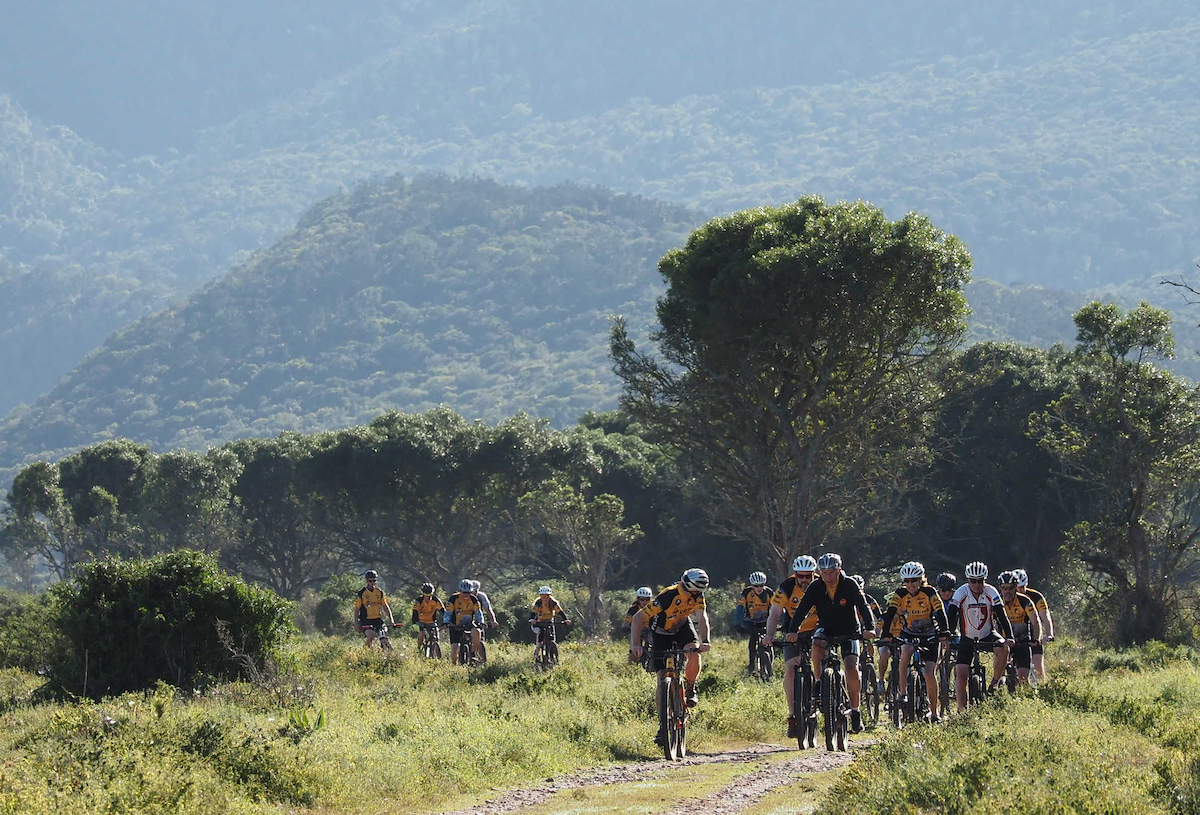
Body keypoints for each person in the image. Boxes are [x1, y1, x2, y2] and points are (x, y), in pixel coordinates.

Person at [785, 553, 876, 734]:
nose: (828, 577)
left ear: (839, 570)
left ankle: (856, 711)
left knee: (851, 668)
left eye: (832, 572)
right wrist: (792, 630)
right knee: (817, 642)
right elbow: (802, 609)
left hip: (849, 629)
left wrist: (870, 628)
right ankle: (819, 682)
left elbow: (863, 606)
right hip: (826, 628)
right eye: (824, 573)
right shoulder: (816, 587)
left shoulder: (850, 584)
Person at [629, 568, 712, 747]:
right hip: (661, 632)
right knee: (661, 678)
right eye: (696, 590)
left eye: (700, 591)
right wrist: (635, 645)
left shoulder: (697, 596)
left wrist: (705, 640)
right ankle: (662, 725)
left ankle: (690, 687)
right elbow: (637, 618)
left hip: (682, 626)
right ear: (688, 585)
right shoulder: (667, 596)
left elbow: (702, 617)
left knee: (693, 651)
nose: (698, 594)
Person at [878, 561, 951, 721]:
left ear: (921, 580)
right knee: (905, 651)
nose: (910, 584)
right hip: (909, 632)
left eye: (914, 580)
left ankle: (933, 712)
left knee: (930, 673)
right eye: (907, 581)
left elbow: (940, 613)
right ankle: (903, 693)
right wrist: (885, 634)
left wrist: (944, 634)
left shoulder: (930, 592)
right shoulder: (900, 594)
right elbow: (890, 613)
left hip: (930, 633)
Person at [763, 555, 820, 739]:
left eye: (808, 576)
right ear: (795, 574)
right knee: (790, 669)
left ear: (813, 574)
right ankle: (792, 715)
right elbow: (774, 614)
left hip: (818, 629)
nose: (804, 580)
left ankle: (824, 692)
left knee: (822, 661)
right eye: (800, 576)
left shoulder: (821, 584)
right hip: (793, 631)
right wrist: (769, 636)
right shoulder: (786, 587)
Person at [949, 561, 1015, 711]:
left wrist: (1009, 636)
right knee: (960, 675)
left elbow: (1002, 615)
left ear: (984, 580)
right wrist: (946, 633)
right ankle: (961, 711)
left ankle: (994, 684)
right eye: (973, 581)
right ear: (968, 580)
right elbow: (951, 613)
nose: (977, 585)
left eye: (980, 581)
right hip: (967, 637)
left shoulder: (991, 591)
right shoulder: (961, 592)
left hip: (988, 634)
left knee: (1004, 649)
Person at [998, 570, 1040, 686]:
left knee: (1023, 678)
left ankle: (1024, 698)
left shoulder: (1025, 601)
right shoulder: (997, 602)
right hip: (1004, 642)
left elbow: (1035, 622)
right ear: (1000, 589)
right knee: (998, 675)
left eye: (1010, 588)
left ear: (1016, 587)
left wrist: (1035, 639)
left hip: (1022, 641)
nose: (1007, 591)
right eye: (1004, 588)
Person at [1013, 568, 1054, 680]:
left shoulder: (1036, 597)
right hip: (1015, 632)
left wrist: (1049, 634)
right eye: (1016, 588)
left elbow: (1045, 616)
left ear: (1026, 584)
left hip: (1033, 631)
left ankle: (1042, 690)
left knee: (1038, 667)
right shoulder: (1007, 598)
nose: (1019, 591)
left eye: (1022, 587)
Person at [735, 571, 773, 665]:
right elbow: (739, 608)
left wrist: (783, 622)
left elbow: (778, 608)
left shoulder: (769, 592)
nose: (759, 588)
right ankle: (751, 665)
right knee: (753, 639)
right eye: (756, 586)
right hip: (750, 621)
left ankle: (770, 665)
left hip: (765, 621)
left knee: (768, 640)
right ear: (752, 585)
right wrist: (737, 623)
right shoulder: (746, 592)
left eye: (761, 585)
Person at [443, 578, 485, 665]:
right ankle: (454, 666)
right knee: (455, 649)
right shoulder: (453, 598)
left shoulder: (473, 599)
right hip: (455, 625)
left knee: (477, 631)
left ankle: (473, 653)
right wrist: (446, 622)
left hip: (469, 624)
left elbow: (478, 612)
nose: (466, 595)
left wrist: (481, 621)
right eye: (464, 592)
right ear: (460, 591)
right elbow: (448, 612)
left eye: (468, 592)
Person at [353, 569, 398, 648]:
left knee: (384, 634)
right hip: (366, 620)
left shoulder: (379, 592)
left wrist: (392, 620)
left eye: (374, 581)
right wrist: (356, 623)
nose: (372, 583)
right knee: (371, 637)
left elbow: (385, 606)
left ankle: (386, 653)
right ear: (367, 581)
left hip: (377, 619)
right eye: (370, 581)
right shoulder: (362, 593)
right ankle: (365, 652)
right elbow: (357, 609)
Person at [529, 585, 571, 662]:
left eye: (547, 596)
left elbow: (560, 612)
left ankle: (553, 655)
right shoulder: (537, 603)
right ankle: (537, 650)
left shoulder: (554, 603)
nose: (545, 598)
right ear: (541, 597)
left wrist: (566, 620)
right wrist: (532, 620)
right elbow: (533, 613)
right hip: (540, 621)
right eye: (543, 596)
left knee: (552, 637)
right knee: (540, 635)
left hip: (549, 620)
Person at [411, 582, 445, 656]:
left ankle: (435, 651)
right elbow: (415, 613)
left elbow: (443, 611)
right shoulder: (419, 600)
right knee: (421, 635)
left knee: (436, 638)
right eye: (426, 595)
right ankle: (419, 650)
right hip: (421, 621)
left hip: (432, 621)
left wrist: (445, 621)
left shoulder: (436, 600)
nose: (428, 597)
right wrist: (415, 623)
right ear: (423, 593)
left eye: (429, 594)